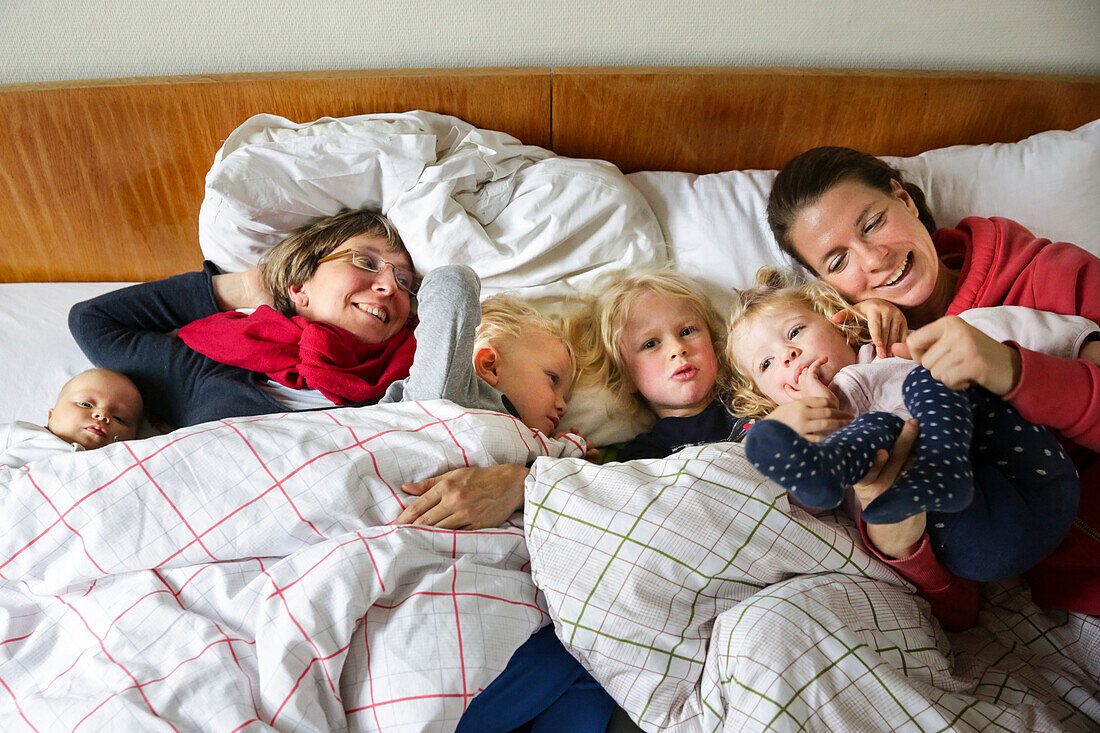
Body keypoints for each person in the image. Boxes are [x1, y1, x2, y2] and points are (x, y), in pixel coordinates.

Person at [766, 145, 1100, 621]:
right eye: (838, 262)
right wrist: (899, 542)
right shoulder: (856, 379)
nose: (875, 260)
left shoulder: (1052, 275)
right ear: (826, 287)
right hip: (1061, 614)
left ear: (903, 199)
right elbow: (959, 618)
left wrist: (1011, 370)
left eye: (872, 223)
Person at [724, 266, 1093, 582]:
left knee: (926, 375)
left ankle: (942, 465)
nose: (787, 355)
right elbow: (808, 511)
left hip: (1027, 474)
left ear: (841, 324)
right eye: (766, 364)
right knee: (873, 434)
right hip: (970, 543)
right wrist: (816, 421)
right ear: (765, 399)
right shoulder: (799, 436)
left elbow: (1014, 342)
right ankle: (837, 468)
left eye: (795, 332)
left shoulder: (891, 354)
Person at [69, 209, 419, 429]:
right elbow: (93, 321)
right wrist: (248, 286)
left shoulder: (416, 382)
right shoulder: (209, 369)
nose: (389, 285)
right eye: (365, 262)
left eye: (404, 281)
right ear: (300, 285)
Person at [567, 269, 751, 461]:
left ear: (713, 344)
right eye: (651, 344)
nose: (677, 348)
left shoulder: (755, 399)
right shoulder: (644, 455)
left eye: (687, 331)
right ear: (627, 377)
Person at [1, 368, 143, 468]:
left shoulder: (116, 466)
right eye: (86, 404)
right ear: (51, 416)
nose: (102, 415)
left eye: (119, 418)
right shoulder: (27, 434)